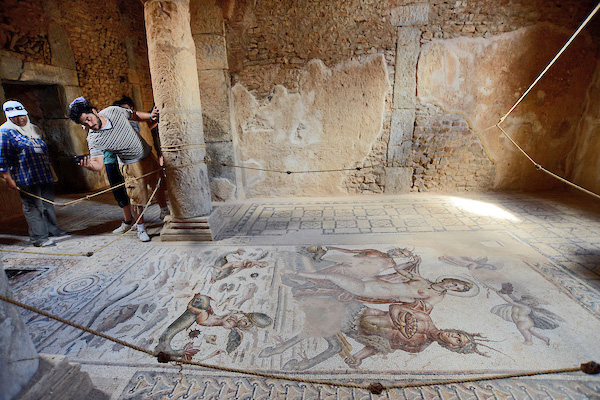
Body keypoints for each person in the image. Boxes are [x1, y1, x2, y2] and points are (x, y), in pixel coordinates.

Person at [68, 97, 169, 242]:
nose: (90, 125)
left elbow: (133, 115)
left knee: (157, 184)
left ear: (94, 111)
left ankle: (164, 210)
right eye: (85, 124)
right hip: (130, 164)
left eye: (89, 119)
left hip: (147, 155)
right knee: (136, 197)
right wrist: (89, 165)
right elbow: (97, 164)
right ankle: (140, 228)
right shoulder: (94, 139)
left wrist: (150, 116)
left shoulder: (113, 111)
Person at [0, 100, 67, 247]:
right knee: (33, 206)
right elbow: (3, 156)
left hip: (43, 173)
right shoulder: (5, 132)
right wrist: (7, 177)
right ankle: (39, 238)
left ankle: (53, 230)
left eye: (22, 115)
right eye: (15, 117)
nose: (20, 119)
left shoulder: (34, 129)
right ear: (9, 117)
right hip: (25, 176)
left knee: (47, 204)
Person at [343, 301, 488, 368]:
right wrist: (397, 320)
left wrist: (358, 357)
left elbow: (381, 346)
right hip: (358, 310)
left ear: (452, 346)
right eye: (458, 333)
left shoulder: (418, 347)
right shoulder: (425, 319)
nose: (453, 335)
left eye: (457, 340)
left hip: (351, 328)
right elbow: (395, 306)